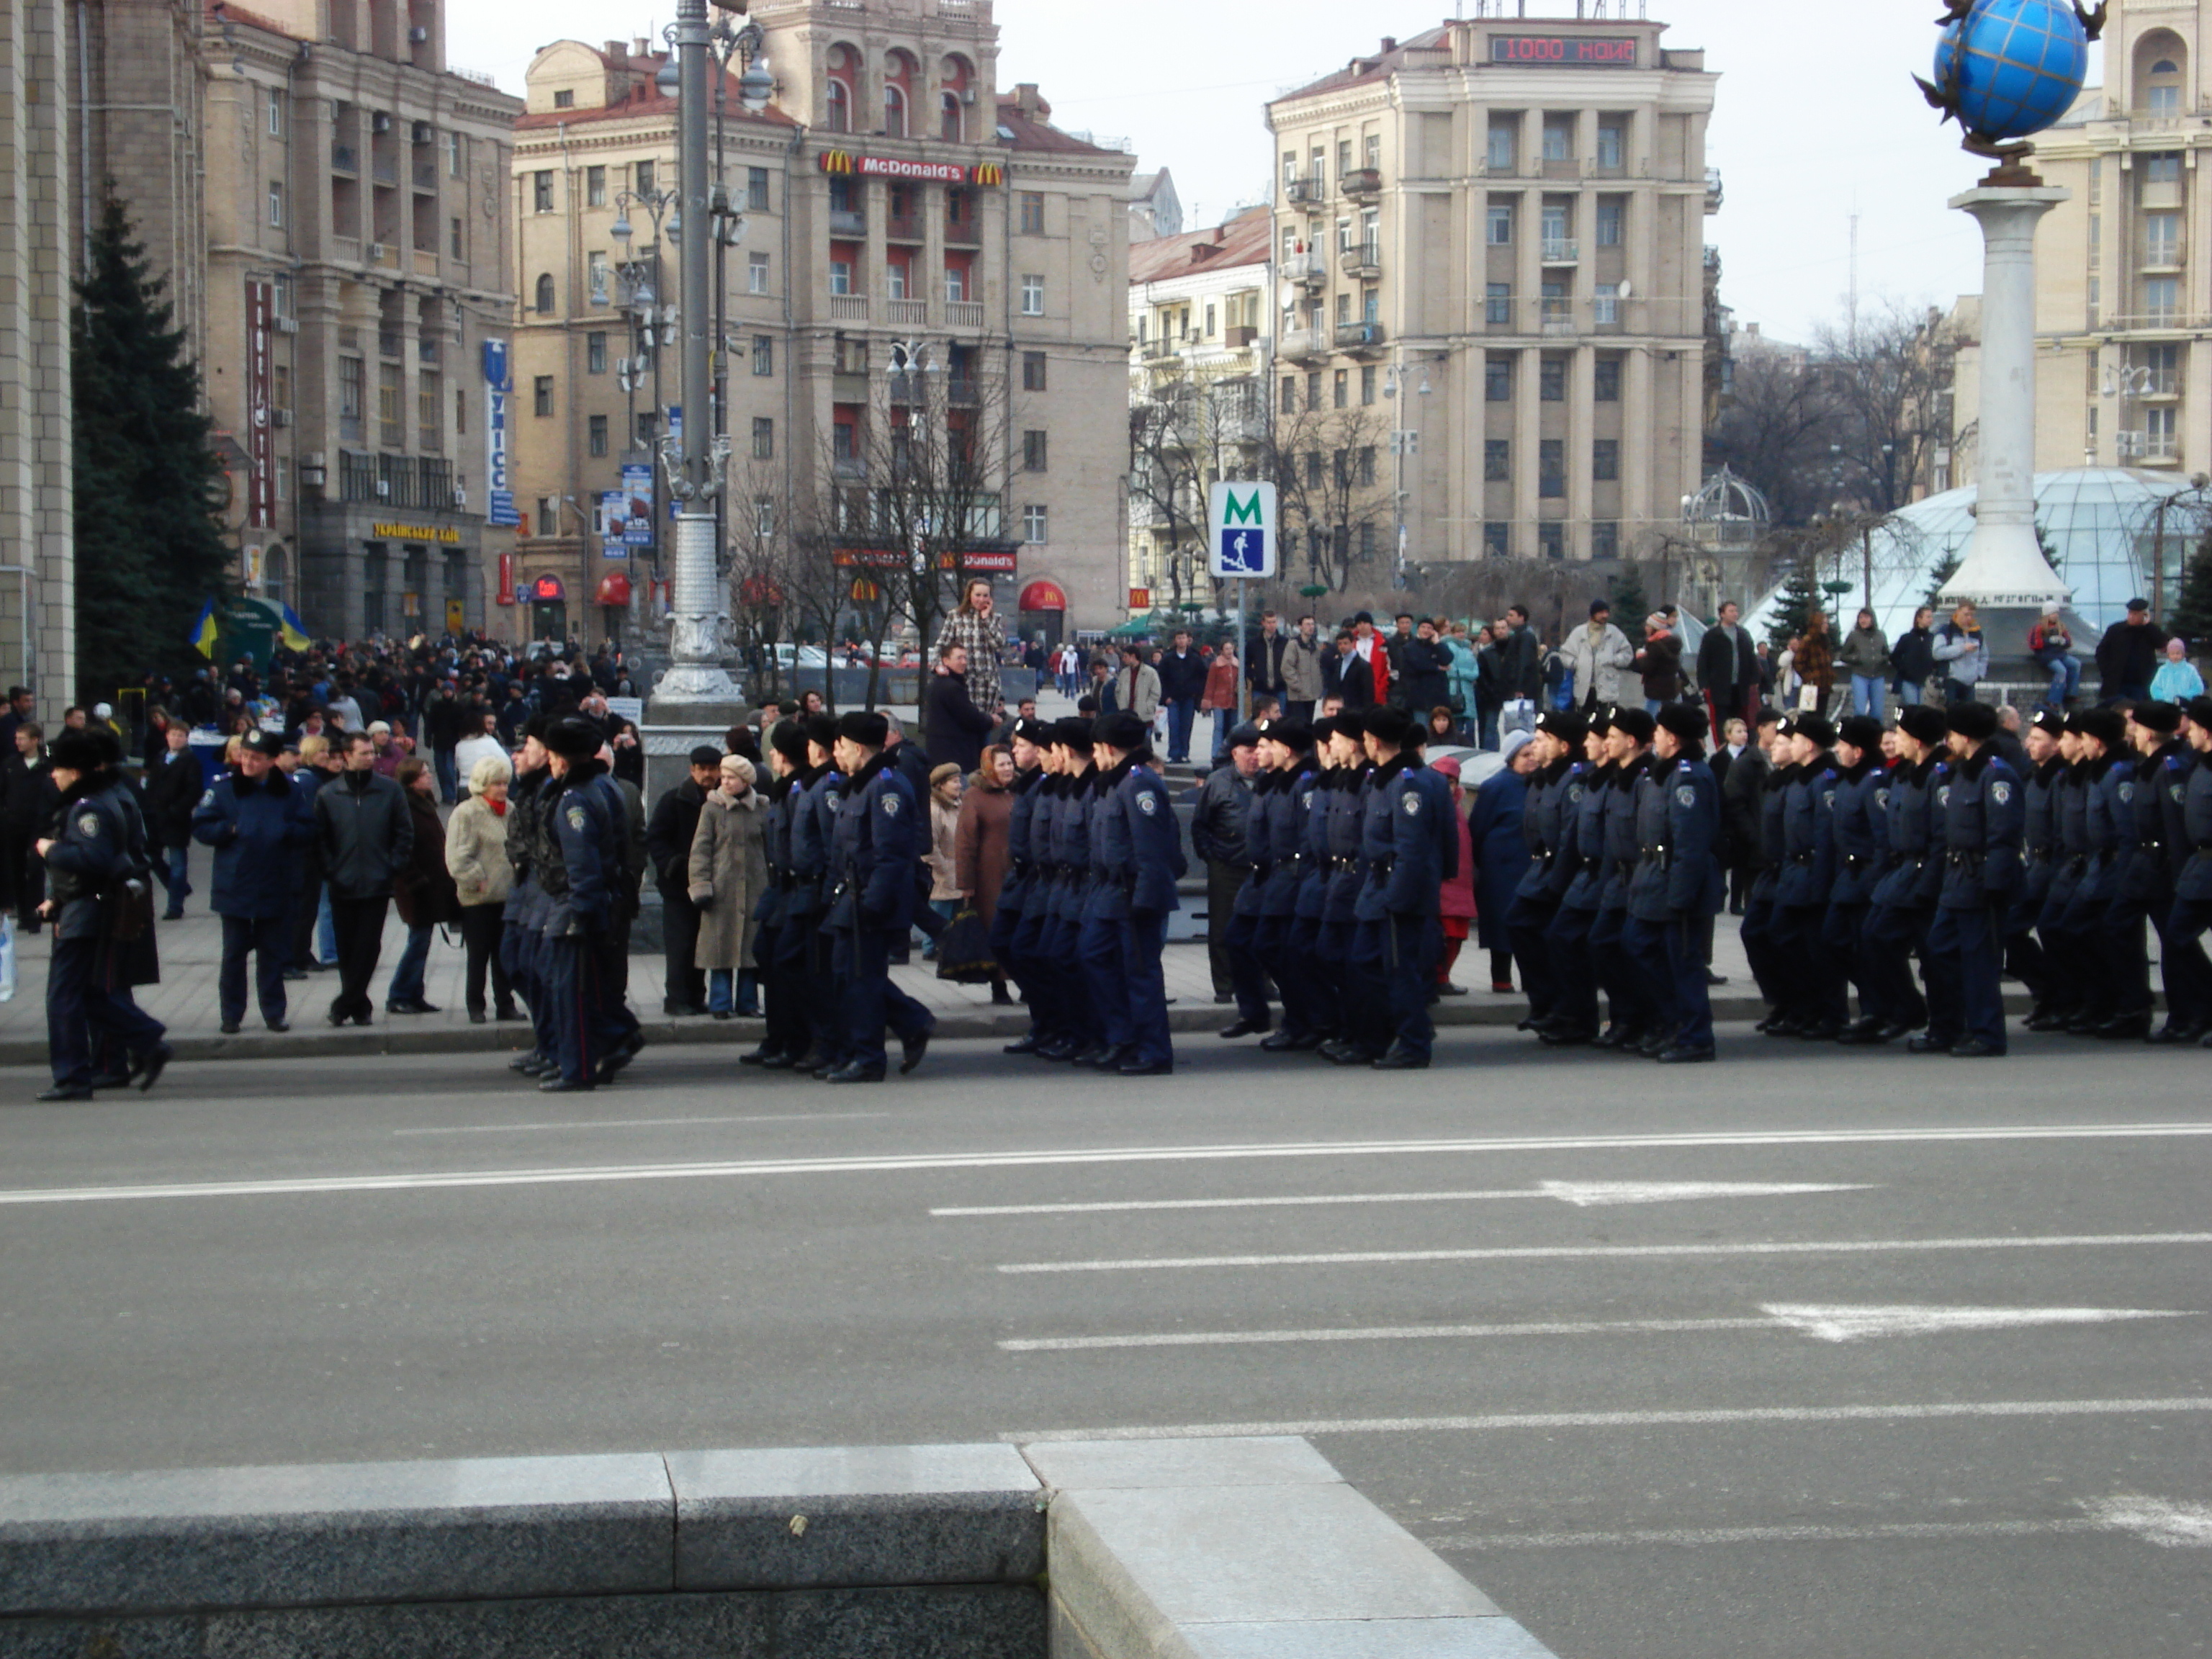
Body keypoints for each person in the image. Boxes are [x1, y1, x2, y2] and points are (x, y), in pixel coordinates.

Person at [33, 729, 172, 1100]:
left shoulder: (88, 809)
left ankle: (72, 1077)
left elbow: (93, 860)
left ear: (75, 772)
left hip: (89, 910)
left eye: (58, 768)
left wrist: (50, 850)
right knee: (90, 993)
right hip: (90, 905)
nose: (53, 775)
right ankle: (147, 1040)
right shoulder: (102, 798)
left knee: (62, 996)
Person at [822, 710, 936, 1082]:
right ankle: (911, 1022)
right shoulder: (858, 784)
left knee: (862, 981)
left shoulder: (886, 786)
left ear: (857, 747)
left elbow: (891, 855)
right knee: (848, 977)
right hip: (851, 898)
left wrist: (872, 905)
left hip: (871, 901)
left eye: (840, 746)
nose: (836, 754)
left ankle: (869, 1058)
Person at [533, 716, 644, 1091]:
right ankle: (615, 1036)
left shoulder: (574, 799)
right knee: (589, 988)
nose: (550, 763)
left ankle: (578, 1068)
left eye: (552, 756)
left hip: (576, 904)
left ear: (563, 760)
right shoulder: (603, 784)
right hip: (597, 900)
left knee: (570, 993)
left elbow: (581, 860)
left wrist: (580, 913)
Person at [1341, 704, 1452, 1069]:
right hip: (1379, 886)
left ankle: (1414, 1043)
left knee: (1400, 969)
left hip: (1398, 889)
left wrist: (1398, 898)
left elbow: (1413, 847)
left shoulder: (1409, 782)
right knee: (1365, 964)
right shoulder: (1384, 778)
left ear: (1374, 741)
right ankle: (1377, 1038)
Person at [1916, 700, 2023, 1056]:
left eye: (1951, 735)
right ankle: (1953, 1023)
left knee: (1979, 961)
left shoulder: (1996, 774)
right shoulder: (1963, 771)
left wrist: (1995, 884)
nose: (1947, 741)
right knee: (1940, 950)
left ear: (1964, 736)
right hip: (1957, 877)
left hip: (1980, 878)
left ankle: (1988, 1034)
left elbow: (2003, 834)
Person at [1621, 703, 1725, 1062]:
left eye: (1661, 732)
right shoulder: (1662, 774)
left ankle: (1696, 1037)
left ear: (1674, 738)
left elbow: (1691, 843)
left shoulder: (1689, 777)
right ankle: (1673, 1023)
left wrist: (1680, 897)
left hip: (1676, 885)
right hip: (1654, 881)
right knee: (1639, 947)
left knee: (1684, 964)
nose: (1656, 738)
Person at [189, 730, 311, 1035]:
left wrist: (284, 832)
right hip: (235, 885)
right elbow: (201, 826)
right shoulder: (224, 789)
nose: (248, 762)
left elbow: (308, 828)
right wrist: (229, 829)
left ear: (271, 761)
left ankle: (274, 1012)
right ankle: (231, 1015)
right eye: (245, 755)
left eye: (256, 758)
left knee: (272, 955)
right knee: (233, 955)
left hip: (275, 882)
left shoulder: (289, 791)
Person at [1086, 710, 1184, 1074]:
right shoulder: (1115, 781)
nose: (1094, 756)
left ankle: (1154, 1051)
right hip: (1110, 893)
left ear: (1109, 748)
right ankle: (1123, 1036)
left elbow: (1151, 849)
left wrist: (1146, 899)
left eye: (1096, 749)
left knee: (1141, 973)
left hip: (1134, 894)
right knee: (1095, 957)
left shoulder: (1140, 783)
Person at [315, 729, 412, 1027]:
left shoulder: (389, 791)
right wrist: (330, 871)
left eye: (372, 753)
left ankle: (344, 1003)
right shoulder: (329, 794)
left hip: (377, 882)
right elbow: (320, 840)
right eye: (364, 753)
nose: (371, 758)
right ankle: (359, 1004)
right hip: (342, 883)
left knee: (369, 946)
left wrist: (391, 866)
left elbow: (404, 834)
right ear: (346, 756)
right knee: (346, 948)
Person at [688, 752, 767, 1019]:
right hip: (721, 890)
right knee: (720, 948)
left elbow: (771, 849)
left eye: (732, 778)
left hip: (756, 888)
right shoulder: (711, 808)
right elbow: (701, 849)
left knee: (750, 950)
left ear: (746, 781)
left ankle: (748, 1002)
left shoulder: (762, 808)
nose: (726, 782)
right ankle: (720, 1003)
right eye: (724, 777)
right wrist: (701, 884)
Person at [644, 746, 721, 1017]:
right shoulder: (674, 800)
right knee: (681, 943)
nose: (707, 775)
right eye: (702, 769)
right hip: (679, 887)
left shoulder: (722, 800)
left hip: (711, 885)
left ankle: (697, 996)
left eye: (712, 769)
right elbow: (655, 837)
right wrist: (674, 864)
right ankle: (676, 998)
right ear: (692, 770)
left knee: (702, 943)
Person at [444, 752, 519, 1024]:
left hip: (506, 895)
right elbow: (457, 857)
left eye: (505, 783)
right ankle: (475, 1005)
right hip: (478, 897)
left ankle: (506, 1004)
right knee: (478, 955)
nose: (502, 789)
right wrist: (477, 879)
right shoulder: (466, 813)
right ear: (482, 784)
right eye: (496, 784)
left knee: (504, 956)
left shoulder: (511, 810)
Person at [1192, 721, 1259, 1011]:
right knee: (1222, 928)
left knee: (1260, 928)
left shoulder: (1270, 780)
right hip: (1226, 865)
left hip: (1260, 868)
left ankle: (1261, 982)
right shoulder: (1218, 782)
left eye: (1259, 749)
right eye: (1249, 751)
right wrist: (1211, 856)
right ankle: (1224, 985)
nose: (1255, 756)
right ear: (1235, 754)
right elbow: (1200, 825)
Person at [385, 757, 457, 1015]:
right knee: (418, 942)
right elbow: (402, 848)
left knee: (422, 942)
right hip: (416, 889)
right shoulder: (405, 806)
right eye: (425, 774)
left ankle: (414, 994)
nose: (430, 777)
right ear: (412, 779)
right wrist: (416, 880)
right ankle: (400, 994)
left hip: (431, 885)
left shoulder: (424, 804)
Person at [1470, 729, 1539, 994]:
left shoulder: (1540, 783)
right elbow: (1478, 827)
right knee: (1501, 923)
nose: (1532, 759)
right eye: (1526, 754)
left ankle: (1532, 981)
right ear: (1511, 758)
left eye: (1535, 753)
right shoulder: (1495, 786)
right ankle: (1501, 979)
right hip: (1500, 870)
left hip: (1530, 866)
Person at [953, 743, 1018, 1007]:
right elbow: (965, 842)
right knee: (994, 930)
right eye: (1002, 764)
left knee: (1021, 930)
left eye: (1010, 763)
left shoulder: (1017, 792)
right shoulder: (975, 797)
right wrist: (966, 883)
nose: (1008, 768)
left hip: (1019, 874)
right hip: (989, 876)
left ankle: (1026, 983)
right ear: (989, 767)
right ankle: (998, 986)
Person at [143, 719, 202, 920]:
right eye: (172, 734)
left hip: (176, 819)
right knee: (152, 858)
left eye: (180, 735)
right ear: (166, 736)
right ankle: (179, 888)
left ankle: (175, 906)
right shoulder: (160, 757)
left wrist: (177, 810)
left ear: (186, 738)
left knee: (178, 863)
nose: (175, 739)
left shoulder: (190, 760)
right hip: (155, 817)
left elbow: (194, 790)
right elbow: (151, 785)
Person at [1430, 755, 1477, 997]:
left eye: (1451, 781)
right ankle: (1439, 977)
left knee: (1457, 935)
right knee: (1444, 934)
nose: (1447, 786)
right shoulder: (1433, 806)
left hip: (1461, 882)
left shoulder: (1458, 806)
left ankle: (1444, 976)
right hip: (1443, 883)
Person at [923, 642, 997, 777]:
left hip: (940, 756)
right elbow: (971, 718)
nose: (964, 662)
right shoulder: (952, 688)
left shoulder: (938, 683)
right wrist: (991, 720)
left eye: (965, 658)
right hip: (957, 758)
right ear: (945, 661)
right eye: (959, 658)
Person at [935, 577, 1008, 711]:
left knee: (984, 723)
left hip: (987, 681)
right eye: (978, 595)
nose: (981, 599)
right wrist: (938, 665)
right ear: (969, 595)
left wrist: (986, 619)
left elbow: (999, 644)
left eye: (985, 595)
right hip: (963, 679)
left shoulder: (994, 618)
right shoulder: (955, 616)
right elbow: (943, 644)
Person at [1696, 601, 1761, 743]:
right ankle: (1723, 746)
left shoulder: (1743, 634)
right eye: (1731, 611)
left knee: (1740, 718)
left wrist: (1755, 679)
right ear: (1722, 614)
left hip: (1740, 685)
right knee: (1721, 720)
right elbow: (1703, 660)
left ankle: (1739, 745)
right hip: (1720, 686)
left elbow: (1751, 657)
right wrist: (1704, 683)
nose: (1735, 614)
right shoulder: (1712, 635)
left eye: (1736, 611)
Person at [923, 760, 965, 956]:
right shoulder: (934, 810)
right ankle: (930, 949)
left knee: (955, 915)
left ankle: (950, 947)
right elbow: (929, 846)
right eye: (954, 782)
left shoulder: (957, 806)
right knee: (939, 911)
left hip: (957, 872)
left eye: (959, 781)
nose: (959, 785)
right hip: (942, 874)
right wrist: (943, 869)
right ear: (940, 785)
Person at [1561, 601, 1635, 710]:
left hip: (1607, 688)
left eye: (1607, 612)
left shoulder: (1614, 633)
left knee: (1606, 722)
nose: (1605, 616)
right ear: (1593, 614)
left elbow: (1627, 654)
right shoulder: (1579, 633)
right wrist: (1577, 664)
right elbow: (1565, 654)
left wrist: (1614, 660)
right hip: (1584, 689)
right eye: (1601, 612)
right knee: (1584, 722)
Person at [2095, 598, 2166, 705]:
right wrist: (2107, 672)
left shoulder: (2149, 631)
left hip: (2141, 682)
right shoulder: (2116, 630)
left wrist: (2148, 626)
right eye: (2130, 613)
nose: (2132, 617)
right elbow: (2101, 652)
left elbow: (2162, 644)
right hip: (2118, 681)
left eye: (2136, 614)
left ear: (2144, 615)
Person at [1156, 629, 1208, 764]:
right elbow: (1161, 678)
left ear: (1188, 640)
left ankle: (1184, 753)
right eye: (1179, 638)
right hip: (1173, 698)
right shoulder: (1168, 658)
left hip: (1189, 698)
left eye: (1183, 638)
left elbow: (1203, 676)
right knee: (1174, 725)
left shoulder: (1195, 658)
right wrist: (1166, 696)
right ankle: (1173, 754)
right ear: (1175, 640)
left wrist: (1197, 693)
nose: (1181, 641)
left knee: (1186, 726)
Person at [1838, 609, 1891, 718]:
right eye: (1861, 618)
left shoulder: (1880, 635)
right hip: (1860, 675)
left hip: (1878, 676)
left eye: (1866, 617)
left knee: (1878, 710)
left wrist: (1881, 658)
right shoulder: (1854, 636)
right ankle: (1860, 732)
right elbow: (1843, 656)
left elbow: (1887, 653)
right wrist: (1856, 658)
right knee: (1860, 710)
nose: (1863, 620)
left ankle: (1876, 732)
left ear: (1872, 619)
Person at [1933, 602, 1987, 704]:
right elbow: (1937, 653)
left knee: (1968, 714)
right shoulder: (1946, 630)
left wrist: (1979, 674)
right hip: (1951, 680)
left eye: (1972, 615)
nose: (1969, 618)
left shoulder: (1977, 633)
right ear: (1958, 612)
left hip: (1970, 682)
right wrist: (1962, 648)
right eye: (1966, 614)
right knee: (1951, 713)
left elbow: (1984, 656)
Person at [2028, 604, 2081, 708]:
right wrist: (2049, 641)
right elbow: (2034, 644)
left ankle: (2071, 693)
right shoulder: (2039, 628)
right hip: (2046, 656)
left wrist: (2063, 641)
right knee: (2061, 671)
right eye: (2053, 613)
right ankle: (2053, 699)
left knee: (2076, 664)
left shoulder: (2061, 627)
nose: (2055, 615)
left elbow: (2069, 643)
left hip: (2060, 655)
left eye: (2056, 613)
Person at [1398, 618, 1453, 715]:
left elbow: (1447, 659)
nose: (1426, 630)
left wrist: (1437, 643)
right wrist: (1436, 667)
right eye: (1423, 627)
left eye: (1429, 628)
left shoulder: (1438, 646)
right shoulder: (1409, 647)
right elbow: (1416, 665)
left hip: (1439, 696)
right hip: (1418, 697)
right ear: (1418, 629)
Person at [1633, 613, 1683, 714]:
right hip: (1670, 688)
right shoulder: (1672, 643)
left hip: (1655, 689)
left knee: (1650, 719)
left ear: (1654, 628)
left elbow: (1647, 667)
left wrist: (1639, 657)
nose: (1646, 628)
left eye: (1648, 626)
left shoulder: (1655, 645)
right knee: (1667, 718)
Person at [1201, 639, 1241, 763]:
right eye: (1227, 649)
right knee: (1219, 726)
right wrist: (1207, 701)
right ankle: (1216, 753)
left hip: (1234, 701)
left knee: (1234, 728)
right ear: (1222, 651)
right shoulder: (1216, 665)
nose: (1230, 651)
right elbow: (1210, 684)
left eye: (1231, 648)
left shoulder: (1238, 665)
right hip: (1219, 700)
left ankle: (1232, 753)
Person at [1282, 614, 1325, 723]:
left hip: (1312, 695)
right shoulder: (1293, 645)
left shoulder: (1315, 646)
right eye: (1307, 624)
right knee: (1299, 726)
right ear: (1300, 627)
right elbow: (1286, 668)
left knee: (1309, 725)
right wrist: (1297, 686)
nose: (1311, 627)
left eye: (1312, 624)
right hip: (1298, 697)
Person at [1891, 606, 1936, 706]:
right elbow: (1895, 657)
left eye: (1931, 617)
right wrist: (1904, 669)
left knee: (1924, 710)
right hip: (1909, 680)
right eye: (1928, 617)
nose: (1931, 620)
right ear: (1919, 619)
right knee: (1912, 709)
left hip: (1926, 681)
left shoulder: (1932, 638)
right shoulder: (1907, 638)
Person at [1112, 643, 1162, 725]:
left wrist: (1148, 707)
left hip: (1144, 717)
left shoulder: (1150, 672)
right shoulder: (1124, 673)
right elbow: (1118, 691)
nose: (1123, 659)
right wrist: (1121, 705)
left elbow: (1156, 693)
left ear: (1133, 656)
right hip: (1126, 716)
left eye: (1125, 656)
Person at [2151, 637, 2204, 703]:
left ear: (2183, 654)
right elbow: (2155, 688)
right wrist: (2164, 698)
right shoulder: (2163, 670)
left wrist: (2186, 697)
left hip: (2185, 705)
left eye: (2178, 653)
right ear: (2168, 655)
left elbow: (2198, 687)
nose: (2175, 656)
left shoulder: (2190, 670)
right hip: (2166, 706)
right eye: (2172, 654)